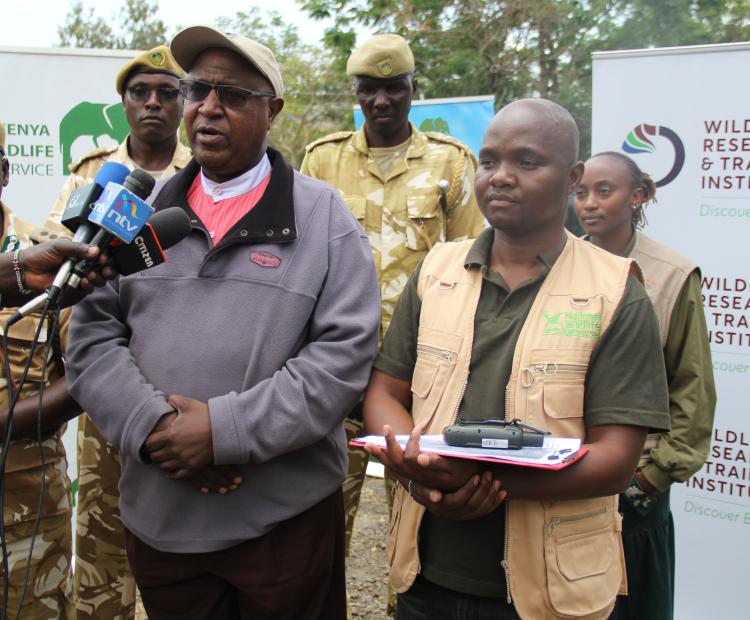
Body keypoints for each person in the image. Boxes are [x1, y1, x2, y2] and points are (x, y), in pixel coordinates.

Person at [65, 25, 380, 620]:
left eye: (232, 95)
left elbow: (342, 359)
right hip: (162, 520)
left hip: (282, 525)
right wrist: (158, 427)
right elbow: (90, 338)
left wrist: (221, 432)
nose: (208, 107)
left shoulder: (323, 217)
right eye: (198, 90)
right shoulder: (135, 213)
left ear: (273, 111)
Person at [362, 99, 672, 620]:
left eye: (527, 162)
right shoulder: (437, 271)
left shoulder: (616, 292)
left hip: (551, 595)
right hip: (426, 579)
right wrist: (419, 472)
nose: (501, 177)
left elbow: (616, 460)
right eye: (489, 161)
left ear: (572, 177)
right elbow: (385, 392)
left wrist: (475, 485)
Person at [300, 33, 485, 568]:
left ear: (413, 90)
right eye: (370, 89)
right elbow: (300, 260)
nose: (382, 101)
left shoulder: (451, 164)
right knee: (324, 516)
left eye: (394, 88)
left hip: (419, 373)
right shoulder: (322, 162)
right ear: (356, 93)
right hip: (335, 365)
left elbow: (474, 263)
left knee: (415, 519)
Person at [40, 44, 191, 620]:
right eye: (140, 92)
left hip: (177, 383)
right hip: (103, 385)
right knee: (103, 544)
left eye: (167, 92)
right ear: (123, 104)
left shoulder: (204, 175)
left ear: (183, 103)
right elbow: (59, 277)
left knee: (183, 546)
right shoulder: (89, 176)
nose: (153, 103)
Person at [574, 152, 715, 620]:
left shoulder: (672, 277)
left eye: (604, 191)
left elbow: (692, 386)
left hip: (635, 488)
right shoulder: (557, 263)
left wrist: (652, 477)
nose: (589, 204)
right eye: (580, 192)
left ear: (637, 197)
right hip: (566, 476)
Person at [0, 119, 84, 619]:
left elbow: (86, 373)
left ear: (5, 171)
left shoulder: (49, 256)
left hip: (28, 505)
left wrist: (10, 427)